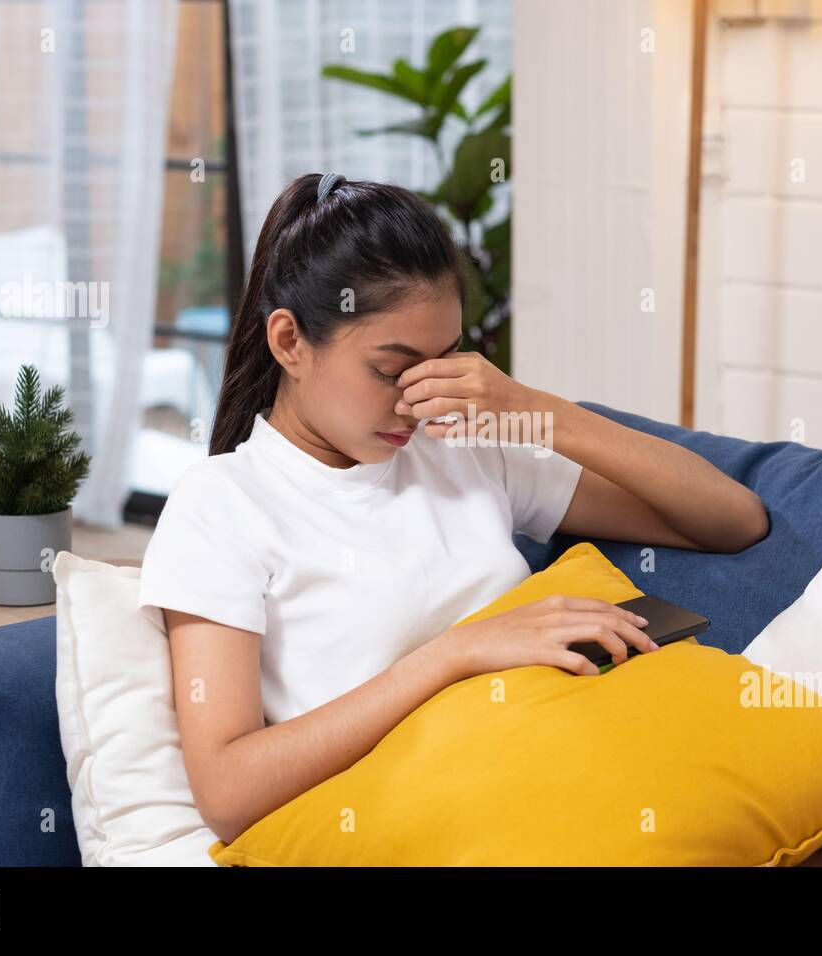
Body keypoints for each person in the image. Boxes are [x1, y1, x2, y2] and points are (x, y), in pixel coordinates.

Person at [137, 171, 769, 848]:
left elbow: (733, 520)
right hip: (432, 826)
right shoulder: (222, 505)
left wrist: (532, 409)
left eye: (441, 364)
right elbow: (227, 793)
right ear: (290, 342)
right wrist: (457, 653)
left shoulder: (461, 450)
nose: (416, 400)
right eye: (390, 369)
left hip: (576, 776)